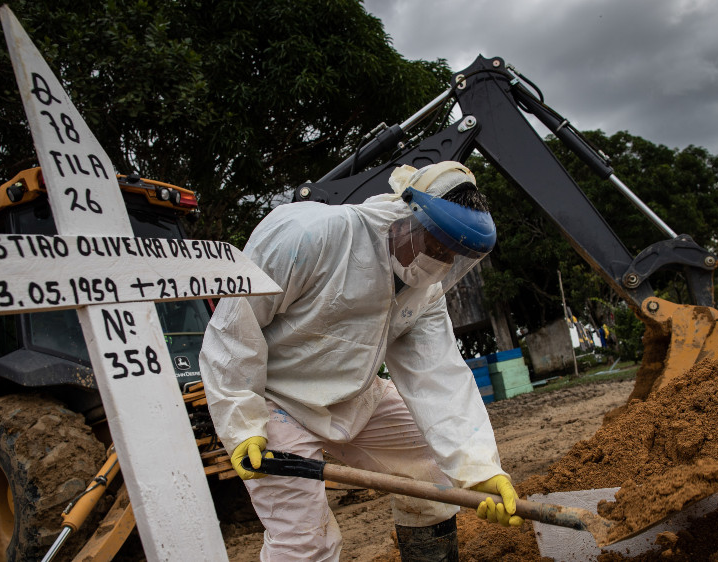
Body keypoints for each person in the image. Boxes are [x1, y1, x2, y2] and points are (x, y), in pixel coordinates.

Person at [200, 161, 520, 561]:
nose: (438, 262)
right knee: (304, 541)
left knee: (434, 470)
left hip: (356, 396)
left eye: (449, 255)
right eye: (435, 245)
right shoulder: (307, 235)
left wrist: (479, 471)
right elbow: (233, 330)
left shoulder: (426, 292)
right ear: (406, 216)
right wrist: (242, 423)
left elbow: (438, 377)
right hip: (276, 404)